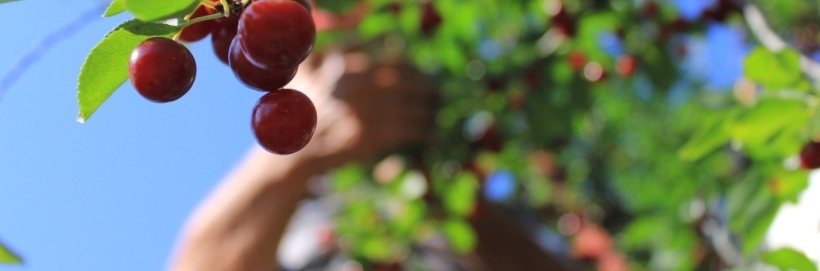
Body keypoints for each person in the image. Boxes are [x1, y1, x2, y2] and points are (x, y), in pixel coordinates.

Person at [167, 49, 583, 271]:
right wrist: (301, 145)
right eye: (320, 63)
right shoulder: (298, 218)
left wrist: (430, 180)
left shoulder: (479, 205)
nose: (350, 77)